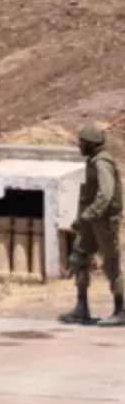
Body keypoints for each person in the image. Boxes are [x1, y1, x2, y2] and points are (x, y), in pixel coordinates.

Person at [61, 124, 124, 326]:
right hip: (92, 220)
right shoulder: (93, 161)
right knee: (79, 258)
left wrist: (89, 215)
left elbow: (105, 194)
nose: (79, 146)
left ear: (90, 145)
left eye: (81, 143)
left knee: (111, 265)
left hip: (104, 221)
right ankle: (81, 308)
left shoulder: (102, 163)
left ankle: (121, 309)